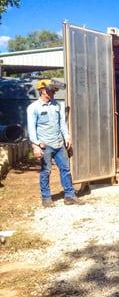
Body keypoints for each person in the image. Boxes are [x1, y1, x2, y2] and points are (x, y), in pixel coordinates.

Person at [27, 79, 82, 207]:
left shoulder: (57, 105)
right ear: (42, 91)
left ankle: (70, 196)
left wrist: (67, 136)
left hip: (59, 144)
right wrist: (35, 145)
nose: (53, 93)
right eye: (50, 91)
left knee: (66, 170)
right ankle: (46, 198)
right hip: (45, 145)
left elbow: (62, 123)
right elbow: (31, 128)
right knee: (46, 171)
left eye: (54, 91)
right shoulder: (33, 108)